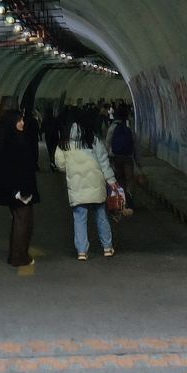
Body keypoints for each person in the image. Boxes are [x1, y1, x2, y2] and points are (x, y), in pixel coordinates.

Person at [58, 109, 118, 260]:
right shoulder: (93, 139)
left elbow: (60, 165)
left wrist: (72, 168)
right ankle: (107, 247)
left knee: (79, 218)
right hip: (96, 184)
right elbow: (104, 162)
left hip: (77, 187)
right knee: (101, 216)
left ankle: (82, 251)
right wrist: (111, 181)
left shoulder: (64, 142)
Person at [0, 109, 40, 267]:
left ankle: (18, 253)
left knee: (21, 221)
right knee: (23, 222)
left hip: (11, 188)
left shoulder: (3, 139)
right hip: (19, 189)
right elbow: (19, 167)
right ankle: (18, 256)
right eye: (19, 120)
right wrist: (21, 190)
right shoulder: (16, 141)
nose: (22, 123)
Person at [109, 104, 140, 211]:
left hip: (116, 158)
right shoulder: (129, 129)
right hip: (128, 158)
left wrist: (108, 157)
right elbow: (135, 145)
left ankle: (121, 201)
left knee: (120, 179)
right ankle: (131, 200)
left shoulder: (112, 128)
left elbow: (108, 143)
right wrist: (137, 160)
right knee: (130, 179)